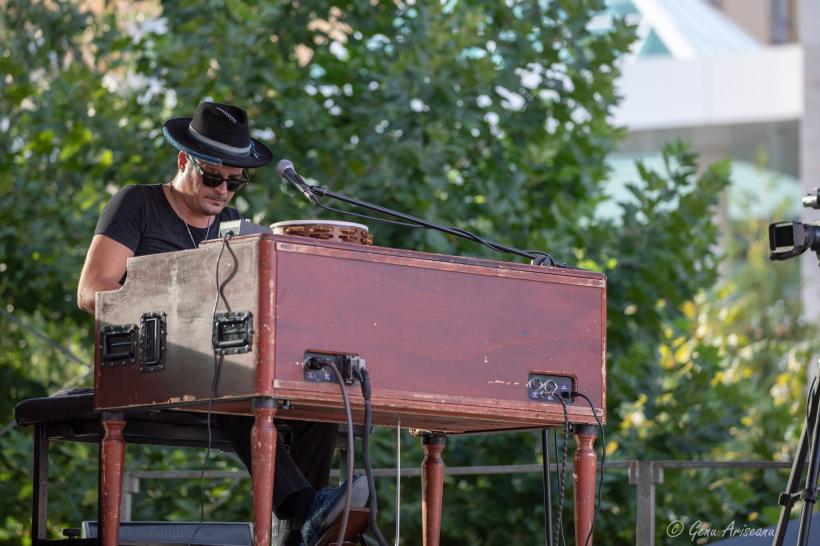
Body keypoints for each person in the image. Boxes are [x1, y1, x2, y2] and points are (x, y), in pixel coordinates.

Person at [76, 101, 367, 546]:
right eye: (213, 177)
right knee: (235, 377)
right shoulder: (138, 204)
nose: (223, 190)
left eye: (235, 181)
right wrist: (176, 310)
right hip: (149, 357)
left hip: (222, 361)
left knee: (315, 397)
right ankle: (308, 508)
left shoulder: (235, 227)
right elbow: (92, 290)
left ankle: (301, 529)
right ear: (182, 161)